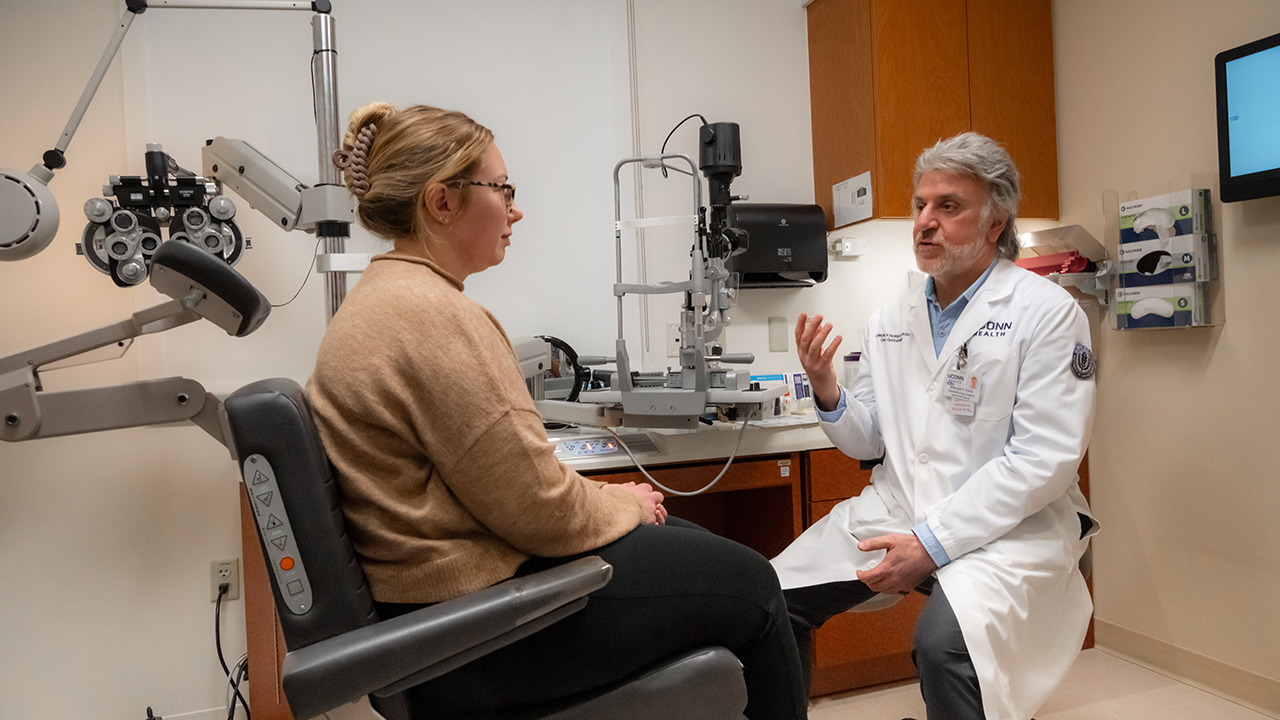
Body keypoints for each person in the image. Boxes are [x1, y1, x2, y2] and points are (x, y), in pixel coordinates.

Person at [306, 102, 806, 719]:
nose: (516, 210)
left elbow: (505, 485)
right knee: (755, 585)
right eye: (502, 189)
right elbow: (536, 507)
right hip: (474, 636)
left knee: (692, 545)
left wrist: (617, 504)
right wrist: (623, 501)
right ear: (442, 202)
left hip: (438, 610)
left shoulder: (385, 301)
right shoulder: (433, 315)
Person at [770, 132, 1097, 720]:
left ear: (995, 223)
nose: (925, 221)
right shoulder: (891, 317)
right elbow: (871, 440)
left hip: (1008, 528)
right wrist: (826, 388)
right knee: (770, 603)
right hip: (898, 507)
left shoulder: (1045, 312)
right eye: (921, 205)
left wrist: (931, 543)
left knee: (944, 647)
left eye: (948, 206)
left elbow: (1044, 460)